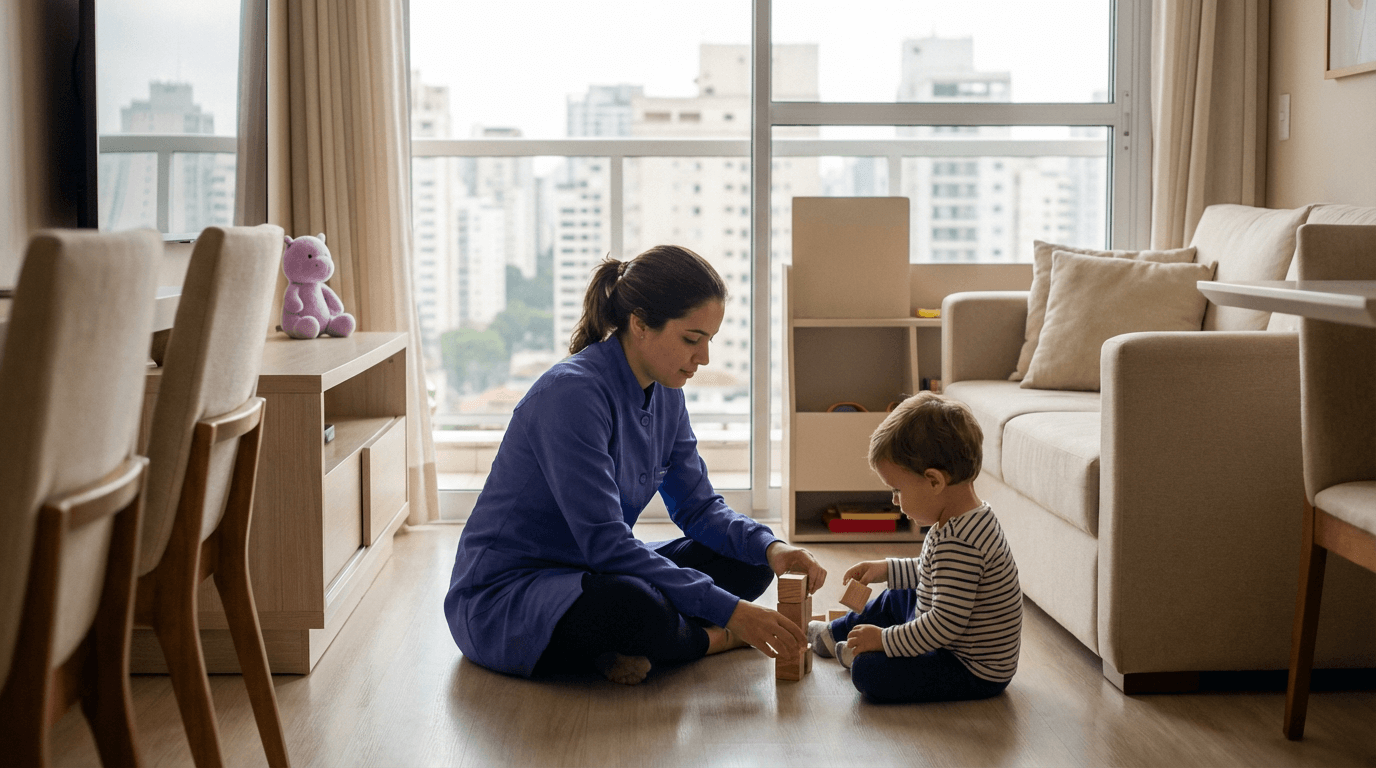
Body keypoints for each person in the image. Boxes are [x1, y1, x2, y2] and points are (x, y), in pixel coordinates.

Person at [444, 244, 826, 685]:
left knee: (749, 560)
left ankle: (645, 644)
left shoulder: (667, 391)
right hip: (509, 595)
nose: (703, 359)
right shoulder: (571, 395)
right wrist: (733, 616)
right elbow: (607, 545)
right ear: (640, 324)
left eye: (709, 341)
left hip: (592, 572)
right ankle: (714, 640)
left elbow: (698, 509)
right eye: (691, 339)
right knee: (635, 607)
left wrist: (772, 548)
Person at [807, 392, 1022, 703]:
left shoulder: (961, 543)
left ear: (934, 481)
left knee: (868, 672)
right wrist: (886, 569)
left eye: (897, 489)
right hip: (949, 639)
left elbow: (942, 627)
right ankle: (834, 634)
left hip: (968, 668)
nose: (894, 500)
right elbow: (930, 572)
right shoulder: (962, 519)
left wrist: (883, 640)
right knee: (899, 593)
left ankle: (857, 649)